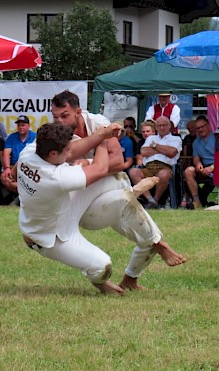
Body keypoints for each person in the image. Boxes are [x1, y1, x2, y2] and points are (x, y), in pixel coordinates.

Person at [50, 90, 186, 290]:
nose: (59, 121)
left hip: (110, 188)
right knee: (124, 191)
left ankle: (131, 279)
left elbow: (118, 161)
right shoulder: (55, 134)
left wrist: (87, 163)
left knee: (141, 229)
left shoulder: (98, 123)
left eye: (64, 116)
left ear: (78, 112)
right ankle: (154, 234)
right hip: (84, 202)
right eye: (55, 117)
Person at [18, 123, 126, 294]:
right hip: (51, 237)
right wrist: (104, 139)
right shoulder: (56, 177)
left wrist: (99, 134)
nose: (71, 153)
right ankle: (99, 283)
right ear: (53, 154)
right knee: (102, 266)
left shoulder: (29, 153)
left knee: (115, 180)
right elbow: (100, 168)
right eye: (66, 150)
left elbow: (74, 150)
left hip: (61, 208)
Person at [129, 116, 181, 209]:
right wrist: (164, 149)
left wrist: (155, 146)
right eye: (159, 125)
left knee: (163, 174)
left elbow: (172, 152)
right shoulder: (150, 138)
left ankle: (156, 200)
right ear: (156, 127)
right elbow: (144, 152)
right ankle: (150, 200)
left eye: (164, 125)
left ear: (169, 126)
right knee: (133, 172)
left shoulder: (175, 139)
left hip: (165, 167)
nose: (162, 127)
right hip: (148, 167)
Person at [184, 115, 215, 209]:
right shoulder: (196, 142)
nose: (200, 129)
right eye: (198, 128)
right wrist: (198, 163)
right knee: (188, 171)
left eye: (202, 126)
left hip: (218, 166)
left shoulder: (217, 138)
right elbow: (196, 157)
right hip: (204, 166)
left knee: (214, 179)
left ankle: (202, 199)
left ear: (208, 125)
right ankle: (196, 201)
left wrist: (212, 168)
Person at [1, 115, 36, 195]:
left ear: (29, 126)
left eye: (23, 125)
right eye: (19, 125)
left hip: (30, 167)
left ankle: (21, 197)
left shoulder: (35, 136)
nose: (21, 127)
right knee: (5, 178)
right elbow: (6, 153)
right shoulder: (12, 137)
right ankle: (23, 195)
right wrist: (6, 168)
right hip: (13, 167)